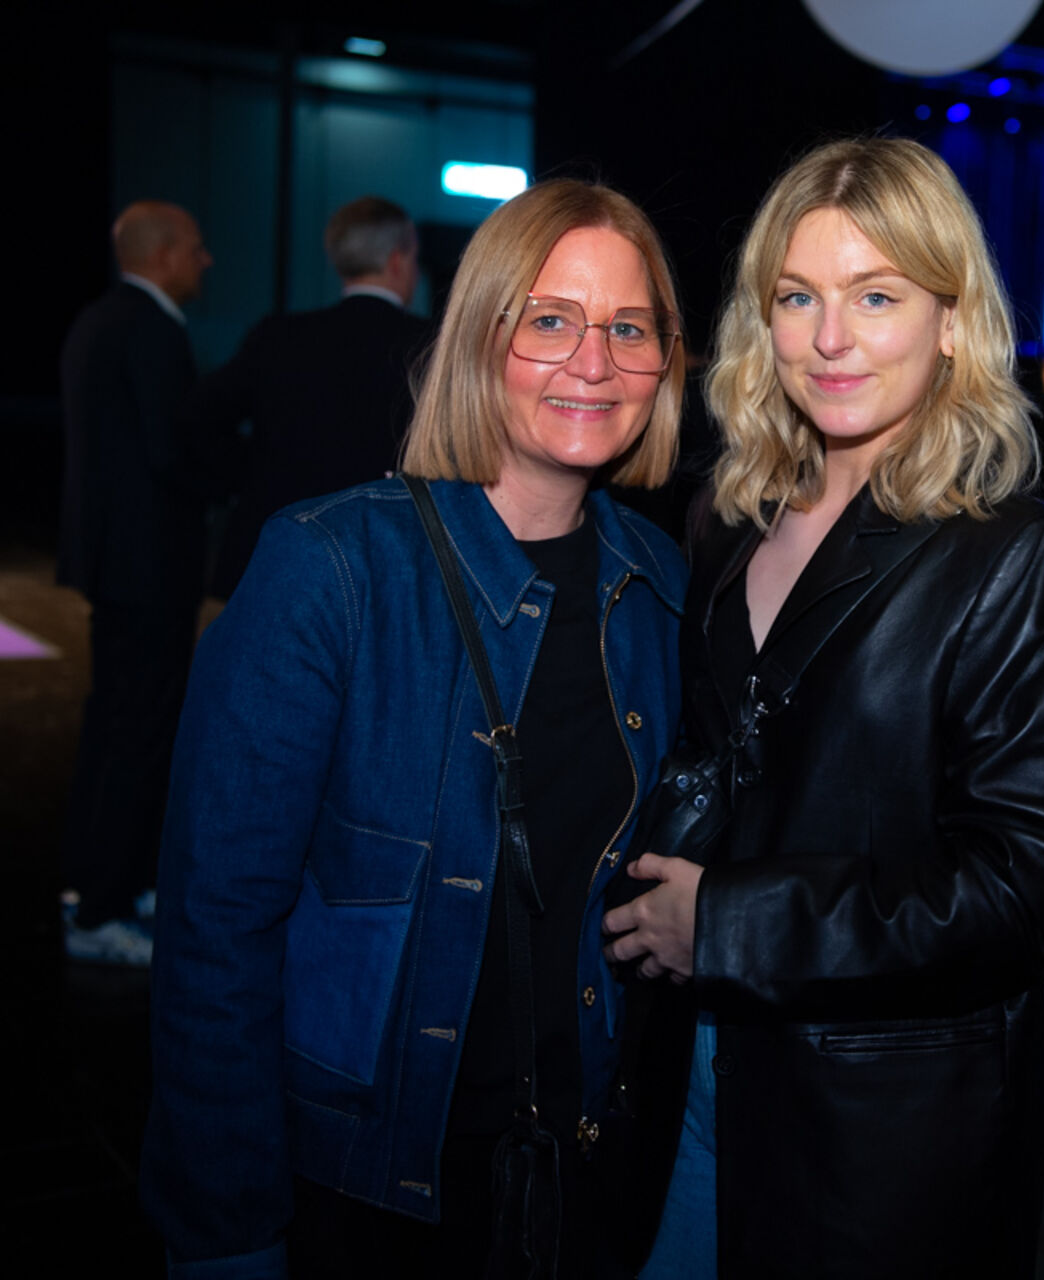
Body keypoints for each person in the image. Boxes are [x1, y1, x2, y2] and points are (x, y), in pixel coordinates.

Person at [143, 179, 690, 1277]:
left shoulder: (659, 583)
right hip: (365, 1201)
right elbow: (215, 936)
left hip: (581, 1186)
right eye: (550, 319)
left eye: (629, 328)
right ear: (480, 335)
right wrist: (227, 1233)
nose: (594, 360)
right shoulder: (330, 569)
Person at [602, 137, 1044, 1279]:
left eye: (876, 296)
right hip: (696, 1075)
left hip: (876, 1138)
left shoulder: (1011, 556)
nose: (830, 339)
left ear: (951, 321)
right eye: (798, 298)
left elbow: (1017, 893)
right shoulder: (732, 518)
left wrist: (728, 923)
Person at [57, 199, 214, 966]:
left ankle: (95, 881)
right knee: (141, 735)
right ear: (163, 254)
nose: (206, 261)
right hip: (150, 567)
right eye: (196, 247)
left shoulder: (96, 320)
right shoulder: (153, 329)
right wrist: (243, 474)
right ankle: (104, 912)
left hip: (110, 563)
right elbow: (171, 452)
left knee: (111, 725)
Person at [200, 195, 434, 598]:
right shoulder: (428, 346)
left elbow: (201, 419)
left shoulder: (278, 337)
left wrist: (252, 474)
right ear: (398, 260)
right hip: (382, 564)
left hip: (274, 556)